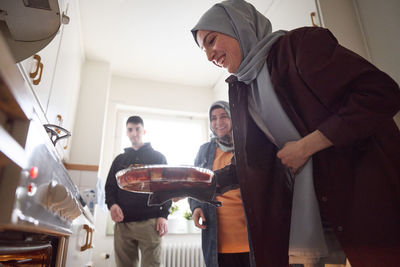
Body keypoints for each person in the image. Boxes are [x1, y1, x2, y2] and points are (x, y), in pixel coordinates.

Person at [190, 1, 400, 267]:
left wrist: (307, 146)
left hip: (363, 198)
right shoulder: (243, 89)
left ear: (237, 26)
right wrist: (193, 183)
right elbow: (256, 163)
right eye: (203, 50)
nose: (209, 56)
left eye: (211, 41)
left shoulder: (300, 46)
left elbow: (381, 93)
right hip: (309, 212)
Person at [189, 101, 251, 267]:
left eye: (223, 116)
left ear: (233, 117)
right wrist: (196, 207)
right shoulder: (204, 150)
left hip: (251, 238)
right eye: (213, 118)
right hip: (216, 238)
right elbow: (195, 184)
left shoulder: (246, 145)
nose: (218, 122)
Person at [105, 116, 171, 267]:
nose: (134, 133)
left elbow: (166, 188)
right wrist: (112, 205)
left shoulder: (158, 157)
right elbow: (110, 187)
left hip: (150, 223)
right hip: (123, 224)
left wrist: (163, 215)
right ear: (126, 132)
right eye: (130, 129)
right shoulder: (119, 160)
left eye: (137, 129)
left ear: (144, 131)